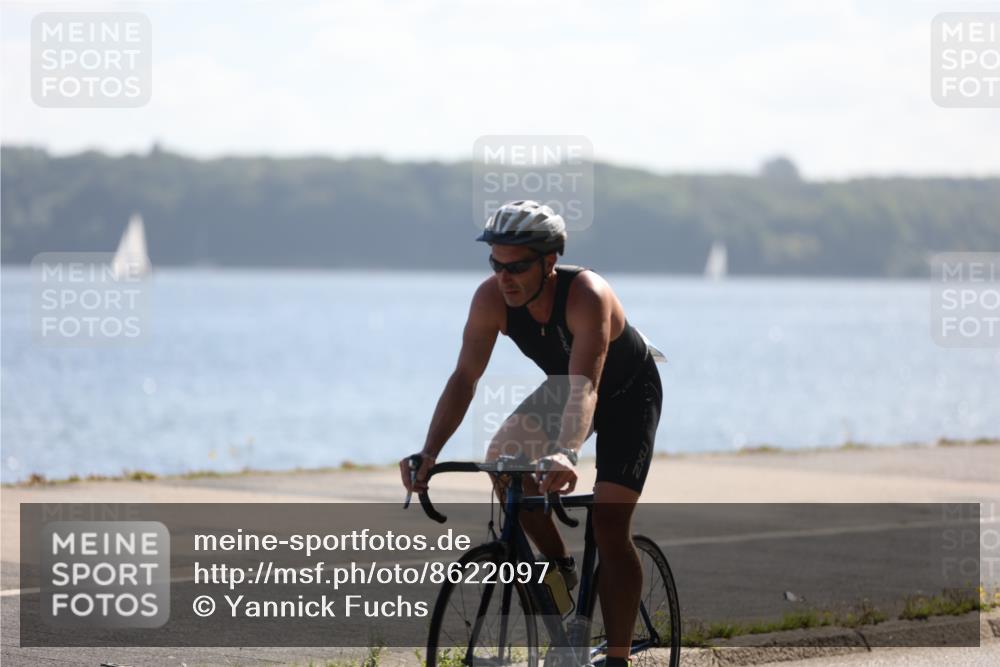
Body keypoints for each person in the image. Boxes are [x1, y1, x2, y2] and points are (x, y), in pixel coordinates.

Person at [400, 200, 663, 665]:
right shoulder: (490, 299)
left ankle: (617, 658)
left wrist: (565, 453)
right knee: (503, 462)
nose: (505, 278)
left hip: (625, 392)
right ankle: (560, 571)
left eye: (517, 267)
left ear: (549, 261)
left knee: (609, 523)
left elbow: (586, 388)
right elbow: (465, 378)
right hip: (569, 385)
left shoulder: (587, 295)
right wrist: (428, 452)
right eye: (496, 265)